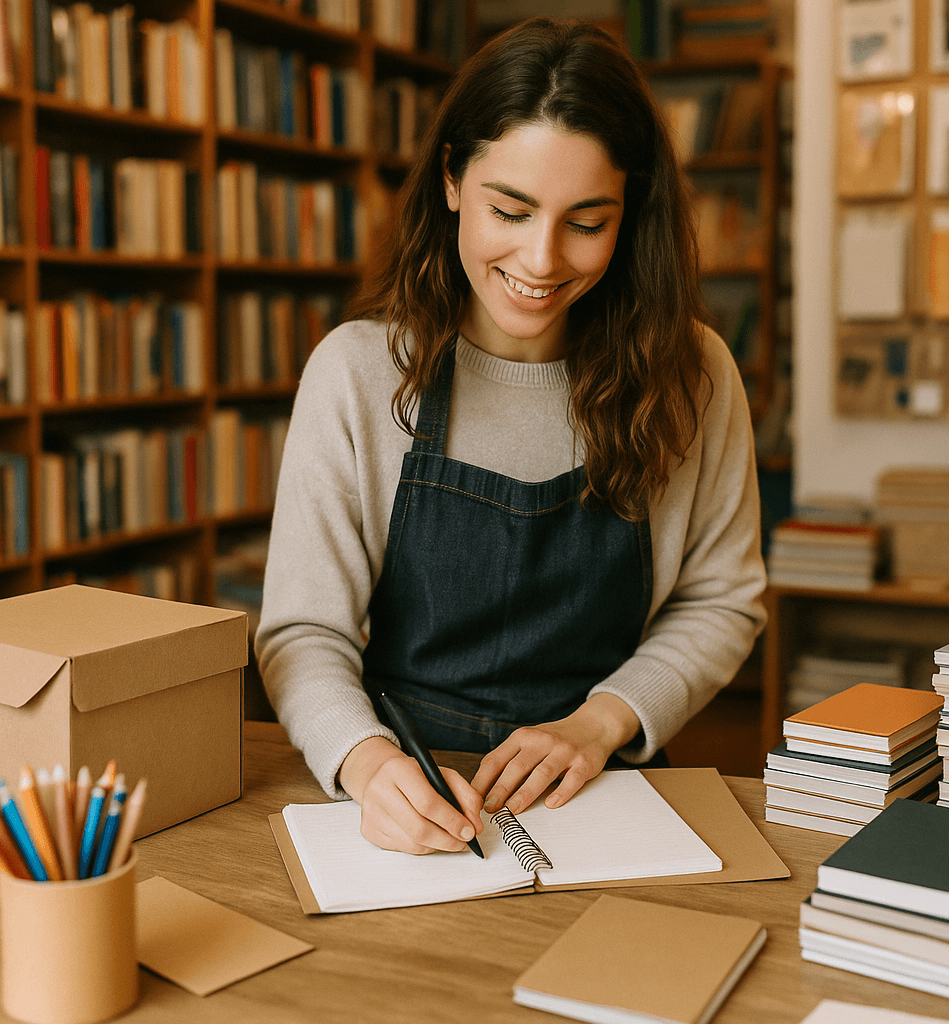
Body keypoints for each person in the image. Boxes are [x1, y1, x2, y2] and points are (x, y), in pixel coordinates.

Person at [255, 17, 766, 857]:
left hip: (607, 794)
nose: (541, 258)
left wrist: (600, 724)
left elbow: (721, 599)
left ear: (630, 212)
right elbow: (304, 632)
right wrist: (366, 763)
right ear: (453, 179)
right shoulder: (356, 372)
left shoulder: (694, 376)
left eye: (587, 222)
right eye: (511, 209)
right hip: (411, 791)